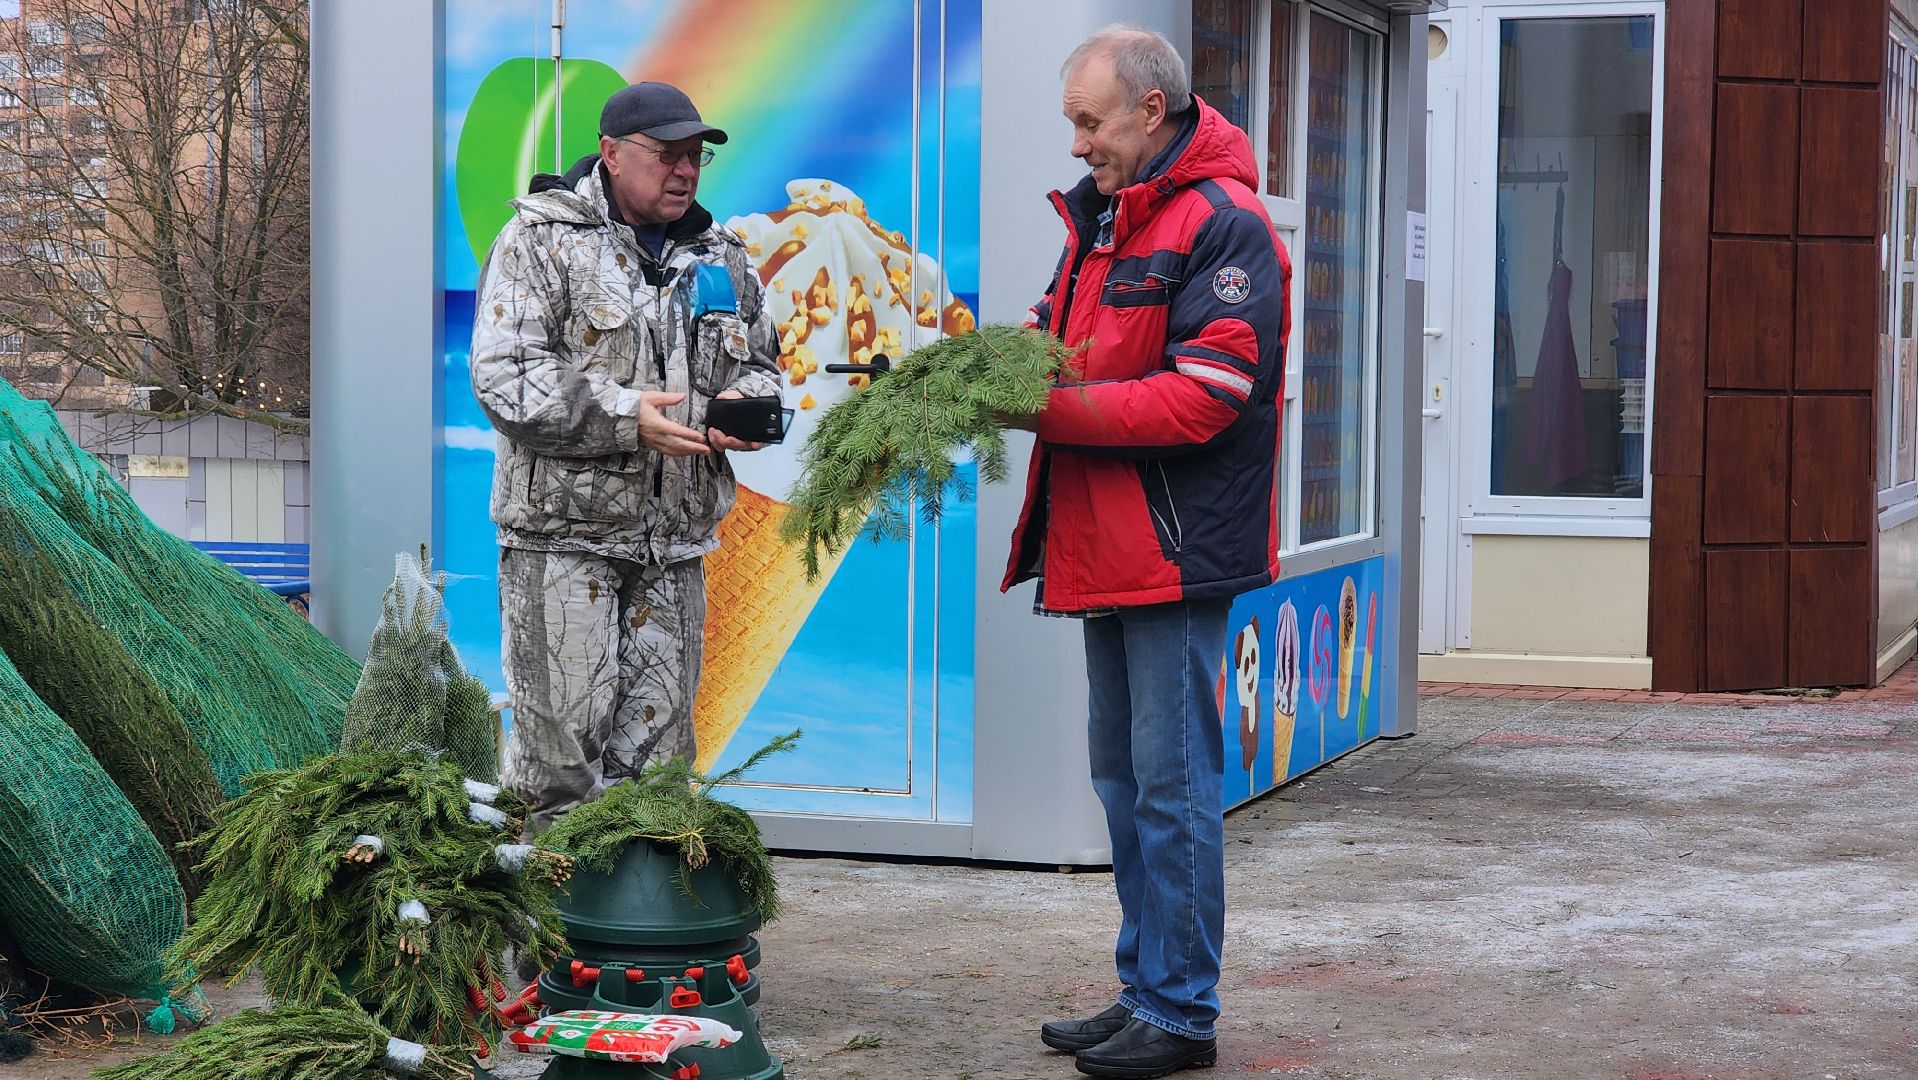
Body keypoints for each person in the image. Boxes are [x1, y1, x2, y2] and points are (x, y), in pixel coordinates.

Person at [1003, 26, 1291, 1079]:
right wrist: (990, 360)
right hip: (1110, 550)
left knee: (1170, 788)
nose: (1078, 144)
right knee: (1125, 783)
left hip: (1171, 557)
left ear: (1151, 110)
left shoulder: (1223, 225)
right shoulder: (1106, 222)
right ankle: (1144, 989)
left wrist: (1043, 404)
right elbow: (1058, 340)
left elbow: (1207, 398)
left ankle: (1182, 1014)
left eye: (1089, 122)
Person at [469, 82, 779, 829]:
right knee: (560, 765)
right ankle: (547, 942)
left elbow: (760, 362)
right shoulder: (539, 239)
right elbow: (504, 376)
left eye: (694, 157)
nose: (685, 171)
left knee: (659, 770)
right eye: (666, 154)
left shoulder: (723, 256)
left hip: (673, 549)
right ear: (610, 155)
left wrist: (749, 412)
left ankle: (633, 940)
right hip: (563, 543)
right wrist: (624, 418)